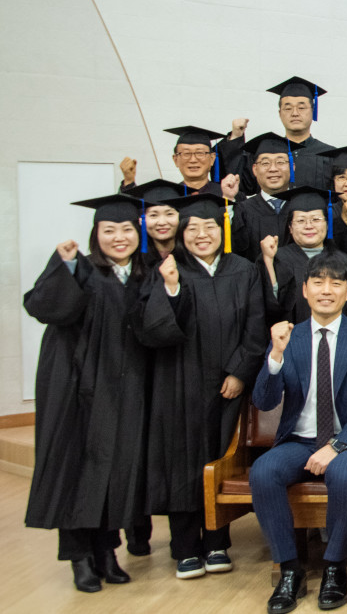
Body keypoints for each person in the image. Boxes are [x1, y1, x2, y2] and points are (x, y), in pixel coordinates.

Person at [24, 194, 152, 593]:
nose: (119, 237)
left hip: (121, 389)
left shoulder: (142, 275)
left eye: (127, 229)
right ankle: (79, 556)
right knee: (75, 470)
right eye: (109, 230)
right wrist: (63, 263)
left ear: (139, 234)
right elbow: (43, 307)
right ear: (96, 235)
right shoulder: (80, 268)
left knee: (113, 471)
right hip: (75, 389)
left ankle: (107, 550)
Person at [135, 193, 266, 579]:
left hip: (227, 387)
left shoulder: (243, 269)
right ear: (181, 233)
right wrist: (171, 287)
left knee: (218, 461)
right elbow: (152, 330)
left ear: (222, 229)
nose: (202, 234)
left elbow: (255, 327)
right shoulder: (168, 269)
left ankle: (217, 542)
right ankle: (184, 548)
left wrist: (240, 372)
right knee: (182, 462)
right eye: (192, 228)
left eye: (210, 226)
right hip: (179, 384)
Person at [251, 251, 347, 614]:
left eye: (336, 283)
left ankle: (334, 568)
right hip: (301, 441)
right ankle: (289, 570)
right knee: (263, 471)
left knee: (343, 473)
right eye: (318, 282)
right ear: (305, 290)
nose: (326, 290)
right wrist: (275, 356)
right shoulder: (288, 337)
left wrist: (337, 445)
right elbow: (264, 401)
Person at [112, 179, 186, 555]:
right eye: (153, 214)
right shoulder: (134, 263)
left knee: (172, 451)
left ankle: (180, 532)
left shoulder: (189, 258)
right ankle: (136, 528)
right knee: (136, 450)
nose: (162, 221)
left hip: (177, 368)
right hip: (138, 369)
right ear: (142, 220)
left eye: (170, 213)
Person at [259, 186, 347, 326]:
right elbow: (267, 306)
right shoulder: (276, 259)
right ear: (290, 227)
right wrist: (269, 261)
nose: (309, 226)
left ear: (327, 224)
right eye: (301, 221)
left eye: (316, 219)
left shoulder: (344, 262)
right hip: (290, 336)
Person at [231, 133, 303, 262]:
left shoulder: (303, 207)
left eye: (280, 162)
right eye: (265, 163)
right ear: (254, 169)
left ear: (292, 167)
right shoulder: (242, 210)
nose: (273, 169)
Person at [121, 126, 241, 199]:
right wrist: (129, 182)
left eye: (200, 153)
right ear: (175, 160)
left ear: (212, 158)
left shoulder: (231, 195)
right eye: (186, 154)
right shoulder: (165, 197)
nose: (193, 160)